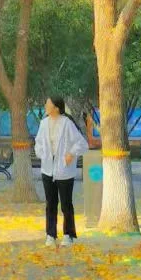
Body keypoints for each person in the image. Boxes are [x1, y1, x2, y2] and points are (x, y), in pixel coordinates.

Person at [34, 96, 88, 246]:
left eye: (48, 103)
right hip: (47, 170)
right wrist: (42, 154)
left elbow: (82, 144)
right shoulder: (43, 124)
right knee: (50, 203)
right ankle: (50, 235)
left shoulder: (67, 124)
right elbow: (38, 143)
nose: (46, 105)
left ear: (56, 108)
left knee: (66, 204)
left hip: (64, 170)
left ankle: (68, 235)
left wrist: (71, 154)